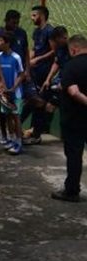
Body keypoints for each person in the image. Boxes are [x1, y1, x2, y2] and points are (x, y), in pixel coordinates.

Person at [51, 34, 87, 202]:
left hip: (74, 119)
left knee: (74, 155)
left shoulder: (71, 66)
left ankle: (72, 190)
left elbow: (73, 91)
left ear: (73, 49)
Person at [0, 10, 30, 145]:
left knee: (15, 112)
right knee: (4, 110)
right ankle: (6, 135)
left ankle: (17, 138)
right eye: (14, 22)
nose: (16, 25)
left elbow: (26, 53)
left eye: (17, 22)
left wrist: (27, 71)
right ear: (6, 21)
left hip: (16, 80)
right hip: (3, 80)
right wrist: (0, 81)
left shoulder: (21, 35)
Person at [23, 5, 54, 144]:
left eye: (34, 15)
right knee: (33, 100)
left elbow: (53, 51)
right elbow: (34, 49)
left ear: (41, 16)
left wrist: (38, 59)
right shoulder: (36, 32)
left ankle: (37, 134)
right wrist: (28, 62)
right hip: (35, 71)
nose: (32, 18)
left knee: (40, 103)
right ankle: (33, 130)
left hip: (45, 71)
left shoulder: (50, 31)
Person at [0, 32, 26, 155]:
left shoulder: (16, 57)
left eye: (0, 41)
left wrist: (13, 88)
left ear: (7, 43)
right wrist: (1, 87)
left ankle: (19, 142)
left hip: (15, 93)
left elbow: (21, 74)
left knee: (16, 118)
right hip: (4, 94)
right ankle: (11, 139)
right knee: (7, 117)